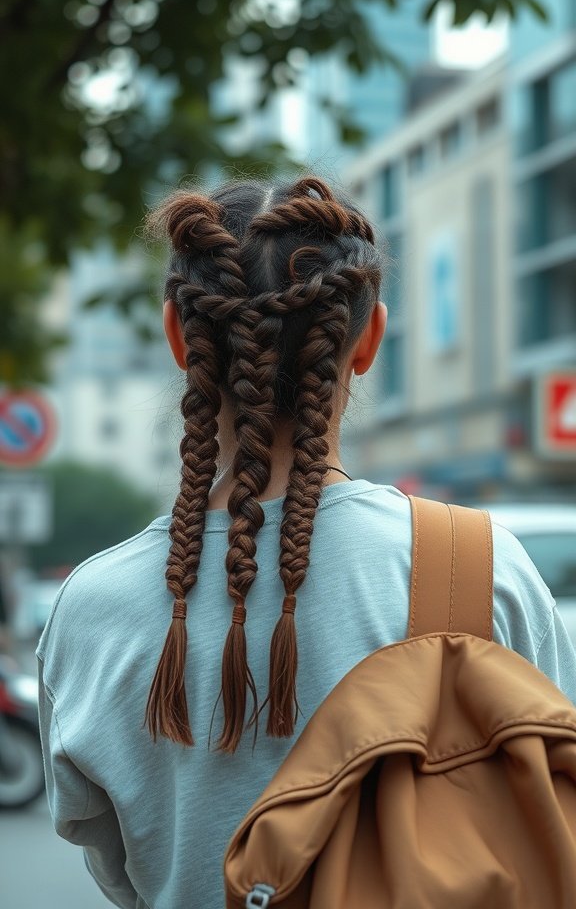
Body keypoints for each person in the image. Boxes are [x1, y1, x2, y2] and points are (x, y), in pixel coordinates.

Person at [36, 176, 576, 909]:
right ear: (368, 340)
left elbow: (115, 863)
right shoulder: (480, 567)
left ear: (178, 338)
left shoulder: (89, 606)